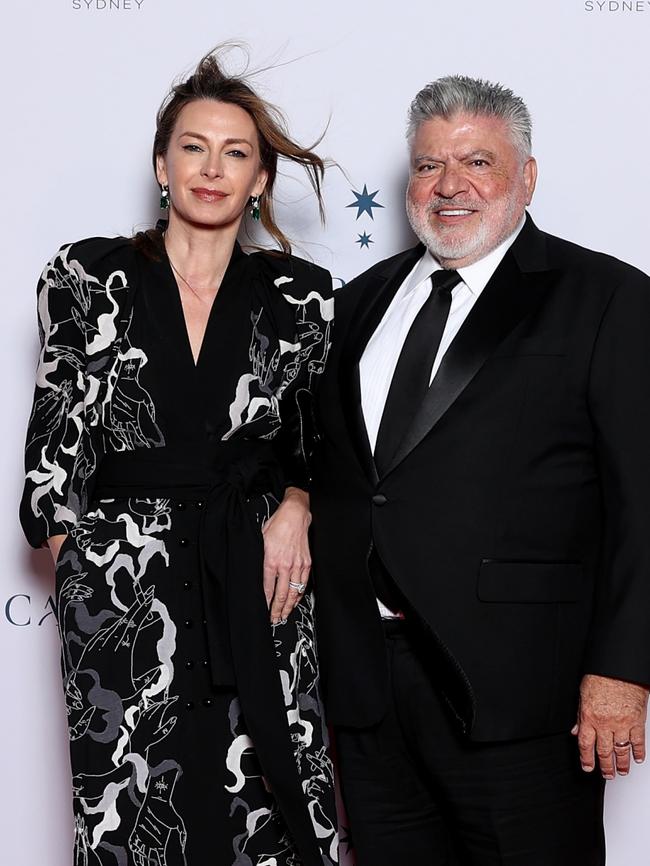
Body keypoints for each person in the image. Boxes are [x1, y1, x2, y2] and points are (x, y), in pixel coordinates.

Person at [310, 74, 650, 865]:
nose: (450, 186)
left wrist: (624, 670)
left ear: (526, 176)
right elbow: (344, 472)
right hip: (369, 691)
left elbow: (644, 499)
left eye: (477, 162)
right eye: (429, 166)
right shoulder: (357, 305)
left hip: (523, 694)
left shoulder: (606, 298)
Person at [20, 47, 338, 866]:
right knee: (134, 816)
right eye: (193, 147)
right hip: (128, 596)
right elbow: (56, 443)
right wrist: (87, 572)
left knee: (267, 804)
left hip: (258, 574)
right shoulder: (88, 274)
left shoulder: (303, 297)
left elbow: (316, 444)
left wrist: (297, 509)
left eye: (236, 153)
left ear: (261, 180)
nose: (212, 169)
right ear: (162, 164)